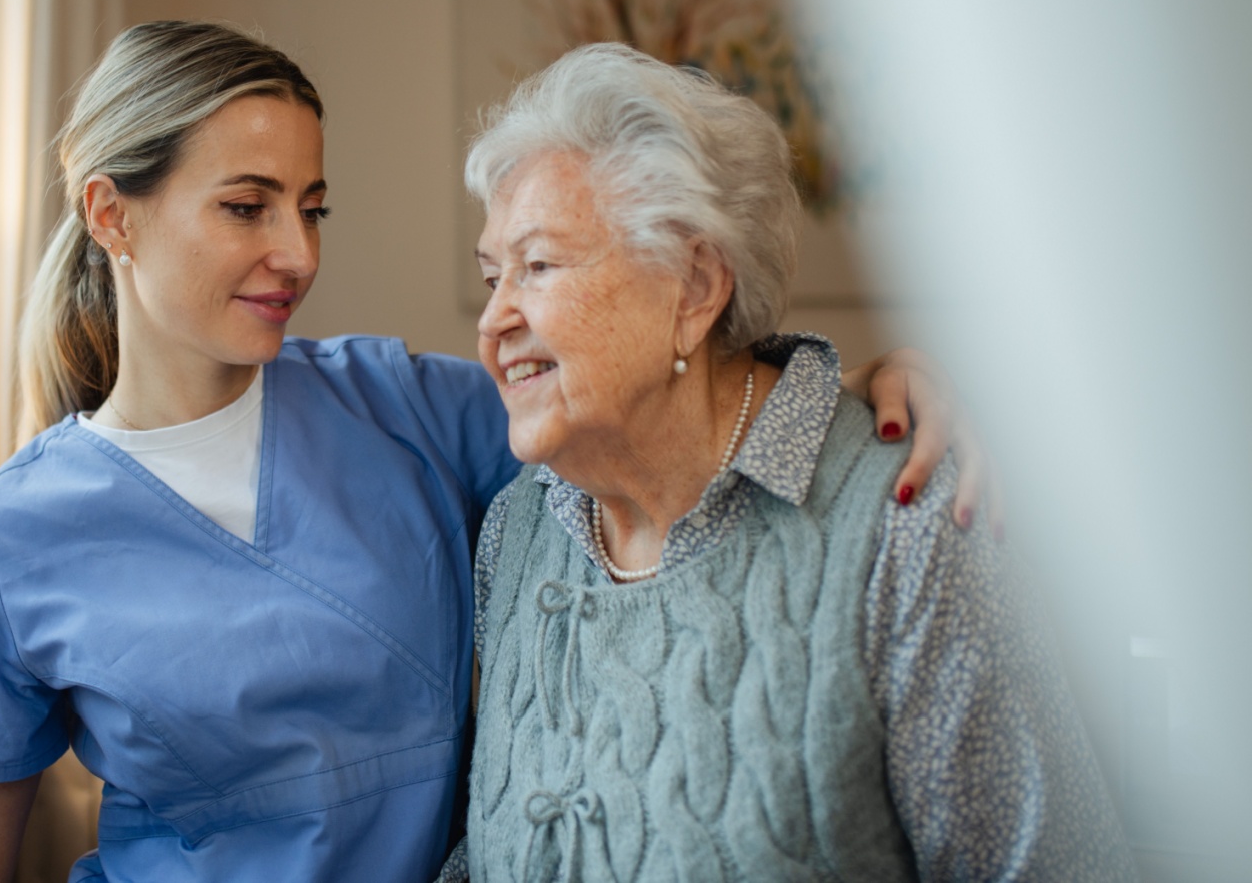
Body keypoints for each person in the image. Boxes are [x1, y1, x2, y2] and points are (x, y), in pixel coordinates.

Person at [0, 22, 987, 883]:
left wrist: (850, 391)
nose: (296, 253)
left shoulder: (403, 407)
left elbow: (662, 416)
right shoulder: (4, 537)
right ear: (111, 216)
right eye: (246, 206)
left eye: (312, 209)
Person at [443, 43, 1135, 882]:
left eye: (539, 266)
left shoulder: (903, 526)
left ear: (695, 286)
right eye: (491, 276)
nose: (493, 320)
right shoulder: (519, 530)